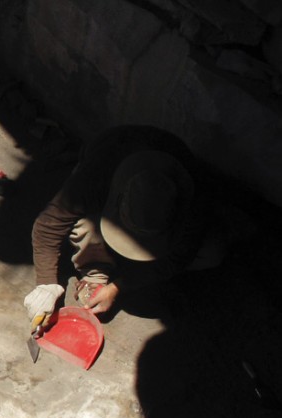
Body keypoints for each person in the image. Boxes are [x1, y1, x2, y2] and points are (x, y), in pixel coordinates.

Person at [23, 125, 221, 327]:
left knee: (211, 253)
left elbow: (179, 257)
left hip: (182, 206)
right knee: (84, 227)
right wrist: (46, 285)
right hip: (108, 160)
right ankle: (95, 271)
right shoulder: (96, 175)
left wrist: (118, 287)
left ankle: (129, 263)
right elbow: (48, 226)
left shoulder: (196, 198)